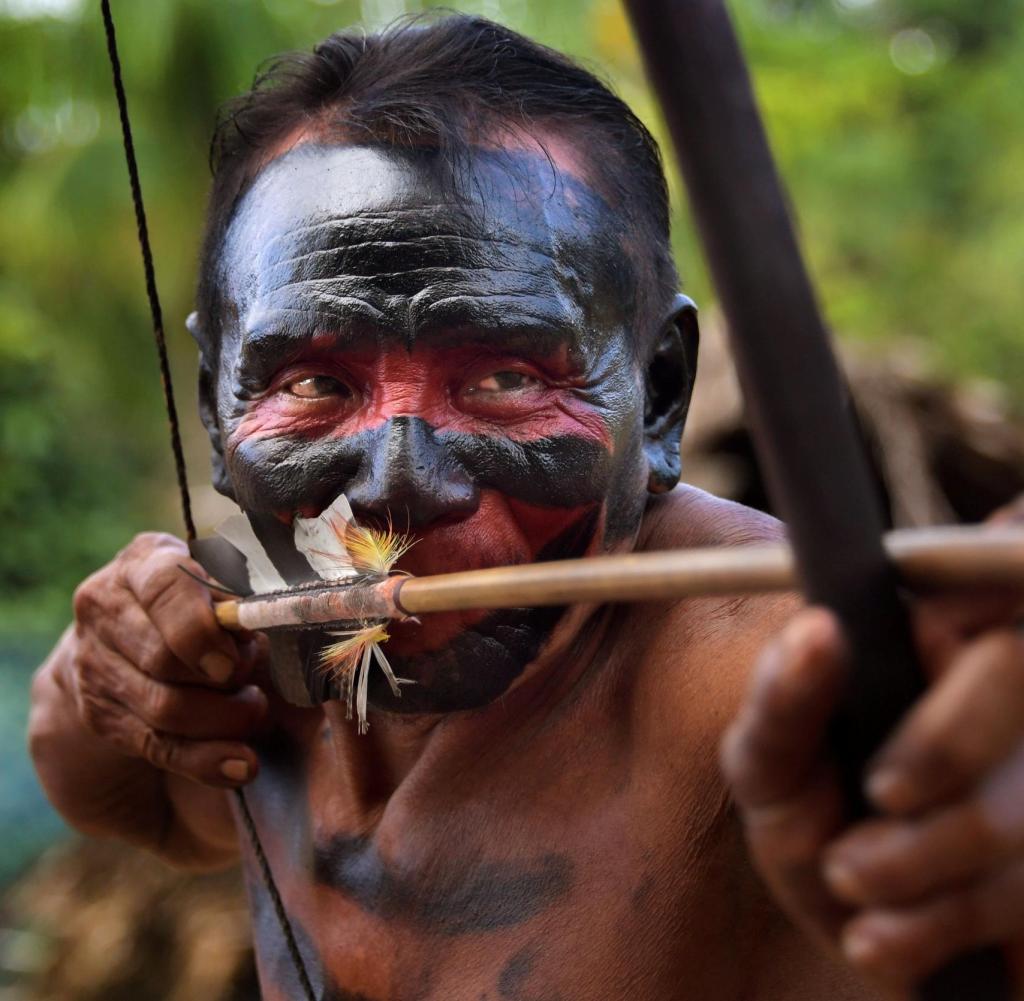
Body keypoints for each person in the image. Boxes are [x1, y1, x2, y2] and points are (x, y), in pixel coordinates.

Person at [28, 16, 1024, 1000]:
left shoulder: (764, 666)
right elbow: (118, 786)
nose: (398, 480)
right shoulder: (261, 658)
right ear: (214, 406)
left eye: (503, 376)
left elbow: (944, 731)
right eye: (317, 386)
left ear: (662, 392)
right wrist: (105, 672)